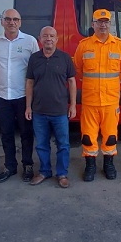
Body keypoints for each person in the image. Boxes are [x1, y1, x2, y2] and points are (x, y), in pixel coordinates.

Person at [73, 9, 121, 182]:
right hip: (90, 101)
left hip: (111, 101)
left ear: (110, 24)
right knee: (88, 136)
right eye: (99, 21)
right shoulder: (84, 45)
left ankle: (108, 164)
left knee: (110, 136)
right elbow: (78, 69)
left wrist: (110, 85)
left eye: (106, 22)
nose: (103, 25)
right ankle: (90, 165)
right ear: (93, 24)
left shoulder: (119, 45)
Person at [0, 8, 40, 183]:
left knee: (26, 132)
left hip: (23, 96)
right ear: (2, 21)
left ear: (20, 22)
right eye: (8, 19)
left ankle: (28, 165)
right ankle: (10, 166)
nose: (12, 22)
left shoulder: (30, 41)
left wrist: (33, 97)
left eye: (16, 19)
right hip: (2, 95)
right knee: (6, 133)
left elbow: (36, 70)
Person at [25, 26, 77, 188]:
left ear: (56, 39)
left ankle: (62, 174)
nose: (48, 39)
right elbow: (29, 83)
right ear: (40, 39)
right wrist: (28, 107)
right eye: (45, 36)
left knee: (63, 144)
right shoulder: (34, 59)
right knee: (41, 144)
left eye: (52, 36)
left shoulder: (65, 58)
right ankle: (44, 171)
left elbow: (72, 82)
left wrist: (73, 105)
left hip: (60, 111)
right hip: (39, 111)